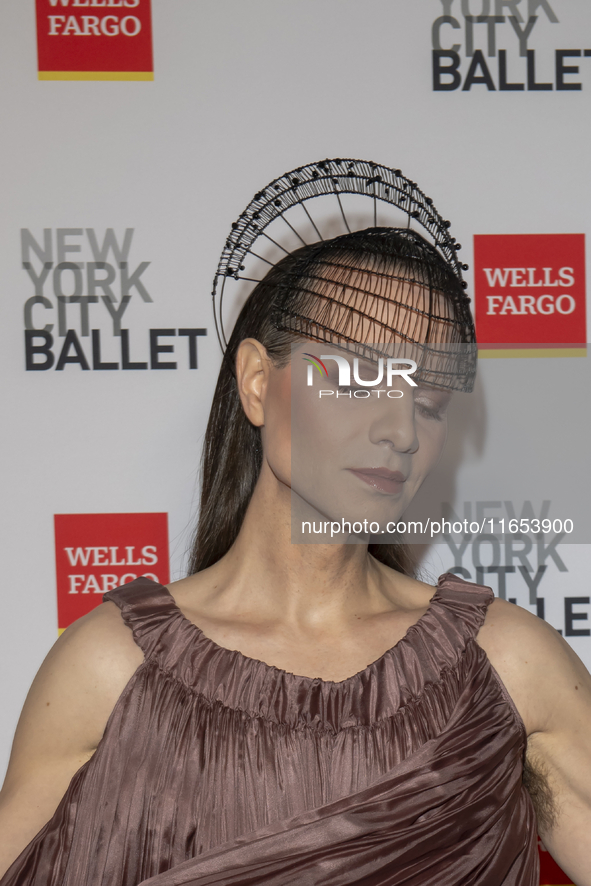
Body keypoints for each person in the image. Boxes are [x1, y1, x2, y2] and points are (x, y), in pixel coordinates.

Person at [0, 216, 590, 885]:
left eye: (427, 402)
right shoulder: (109, 668)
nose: (398, 429)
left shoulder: (508, 667)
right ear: (257, 382)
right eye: (358, 378)